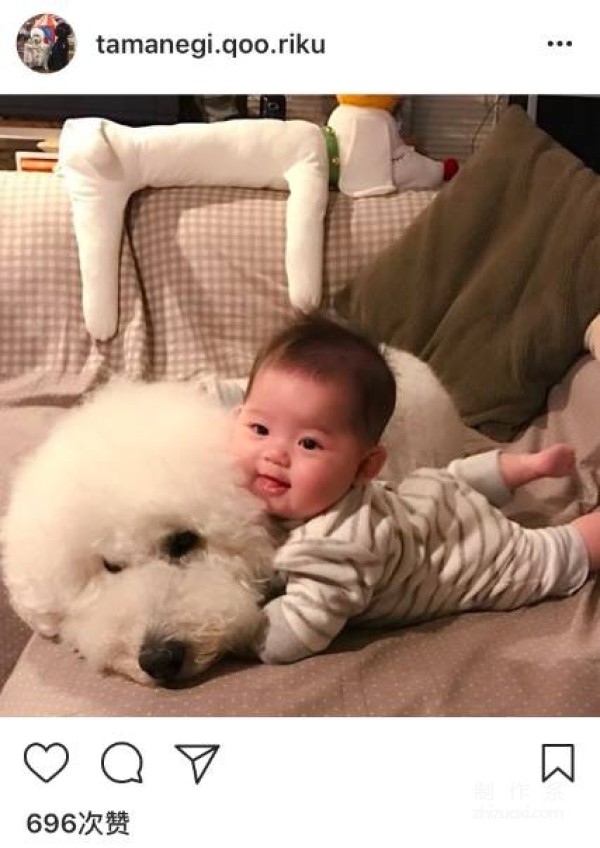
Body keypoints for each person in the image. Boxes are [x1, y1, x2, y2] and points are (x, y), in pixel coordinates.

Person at [230, 313, 600, 664]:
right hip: (425, 499)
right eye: (260, 430)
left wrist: (233, 633)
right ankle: (526, 467)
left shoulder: (335, 544)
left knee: (548, 555)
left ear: (365, 467)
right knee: (446, 479)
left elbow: (294, 634)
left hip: (463, 554)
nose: (275, 454)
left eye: (309, 444)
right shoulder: (251, 493)